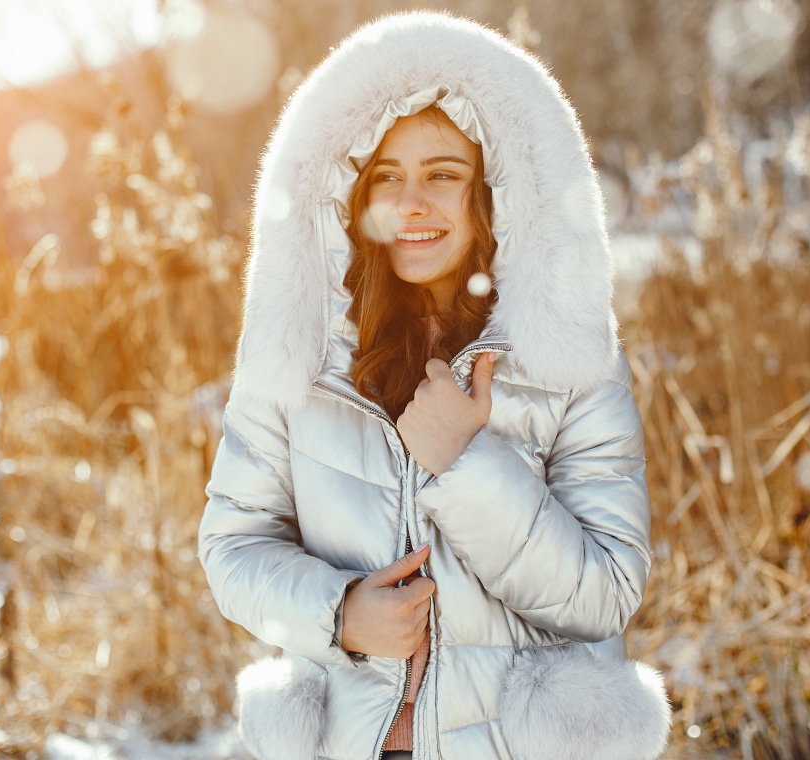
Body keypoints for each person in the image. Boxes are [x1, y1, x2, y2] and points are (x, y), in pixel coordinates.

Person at [199, 11, 670, 760]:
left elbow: (606, 593)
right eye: (386, 177)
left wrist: (467, 462)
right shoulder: (300, 356)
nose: (411, 204)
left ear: (493, 197)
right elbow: (233, 548)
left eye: (443, 176)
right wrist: (340, 613)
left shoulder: (568, 363)